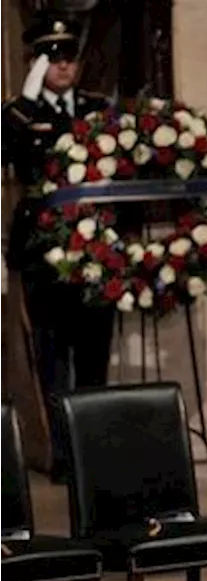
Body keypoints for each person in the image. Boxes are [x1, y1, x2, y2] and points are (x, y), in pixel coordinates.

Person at [0, 14, 115, 445]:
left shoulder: (96, 108)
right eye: (52, 57)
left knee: (94, 352)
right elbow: (4, 146)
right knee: (51, 357)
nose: (64, 66)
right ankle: (63, 451)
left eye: (69, 57)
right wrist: (27, 98)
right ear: (34, 64)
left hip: (95, 250)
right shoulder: (18, 113)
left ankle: (93, 442)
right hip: (42, 252)